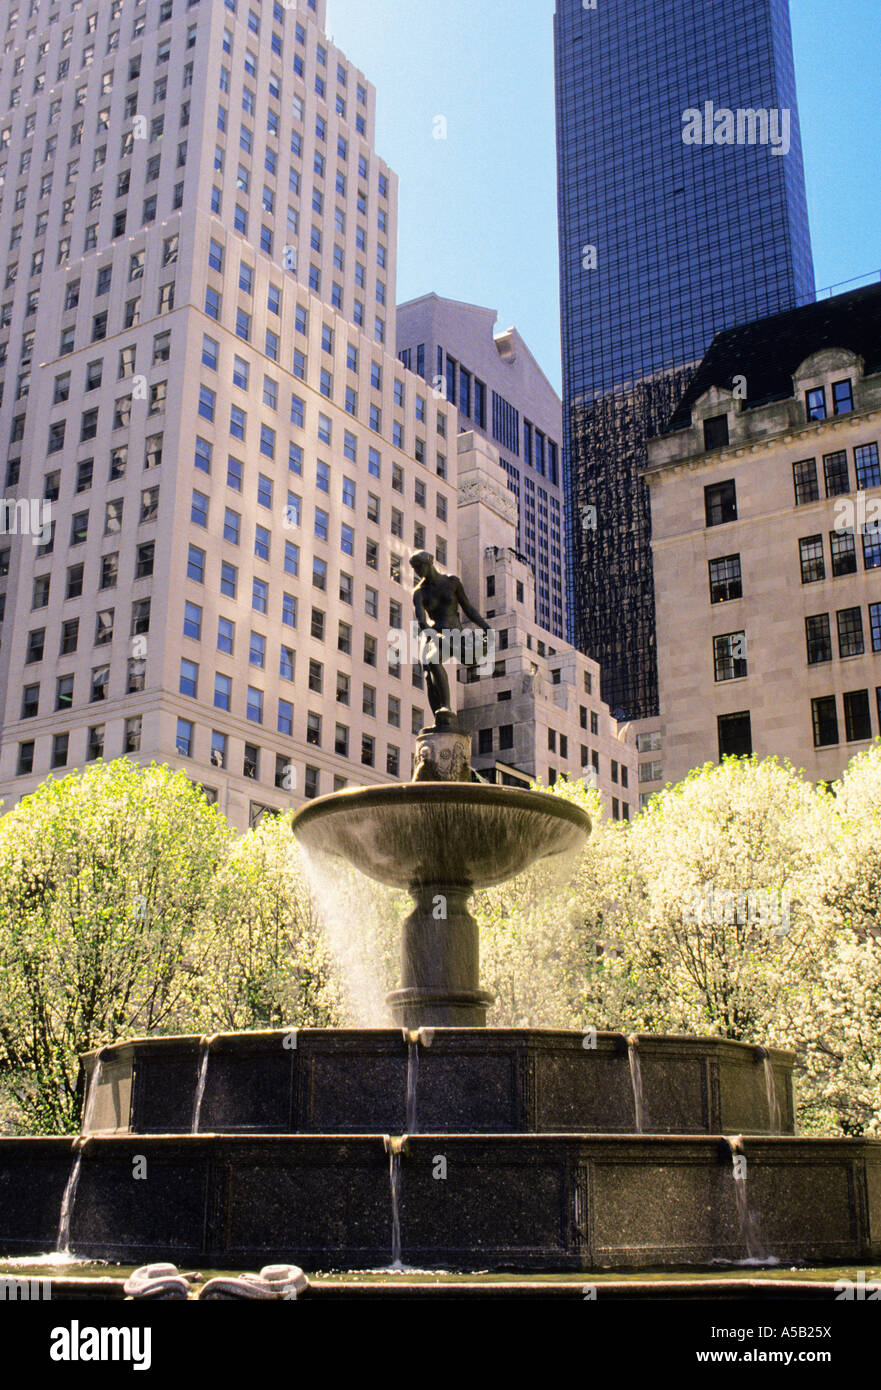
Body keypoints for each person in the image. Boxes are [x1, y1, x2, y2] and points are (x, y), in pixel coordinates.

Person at [409, 551, 491, 718]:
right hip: (435, 634)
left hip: (456, 634)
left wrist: (486, 628)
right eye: (414, 568)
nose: (417, 571)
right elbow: (422, 622)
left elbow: (468, 609)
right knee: (431, 662)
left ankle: (445, 710)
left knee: (473, 658)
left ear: (429, 563)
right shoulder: (419, 593)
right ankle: (444, 708)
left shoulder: (452, 582)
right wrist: (437, 637)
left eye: (419, 566)